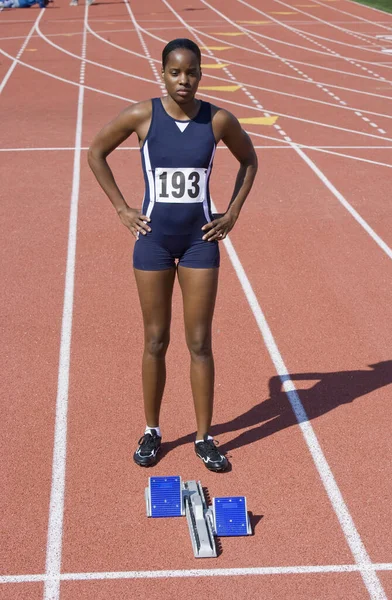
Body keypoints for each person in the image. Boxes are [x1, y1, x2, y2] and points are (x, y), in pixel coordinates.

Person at [88, 38, 258, 472]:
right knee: (155, 340)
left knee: (200, 342)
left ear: (201, 74)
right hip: (155, 242)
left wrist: (233, 212)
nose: (185, 80)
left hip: (200, 241)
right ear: (162, 73)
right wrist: (123, 209)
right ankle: (152, 430)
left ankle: (204, 436)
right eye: (176, 72)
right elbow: (96, 153)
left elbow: (250, 160)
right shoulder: (143, 115)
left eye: (192, 72)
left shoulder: (218, 120)